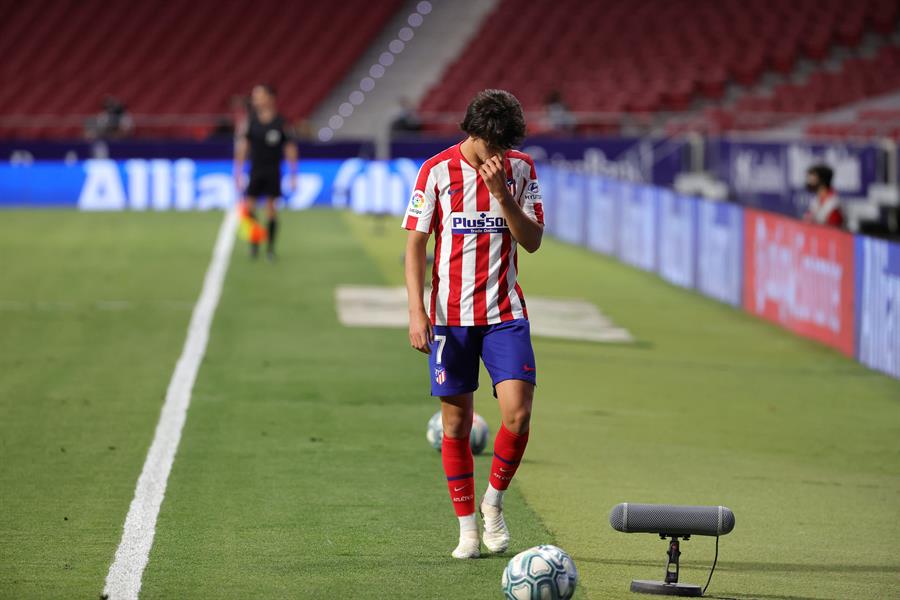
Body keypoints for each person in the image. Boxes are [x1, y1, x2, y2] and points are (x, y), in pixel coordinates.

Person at [402, 89, 544, 559]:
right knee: (456, 422)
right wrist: (416, 311)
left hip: (505, 313)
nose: (498, 155)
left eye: (505, 146)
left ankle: (493, 503)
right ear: (473, 133)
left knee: (517, 414)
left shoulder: (521, 170)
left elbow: (532, 241)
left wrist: (502, 195)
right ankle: (466, 530)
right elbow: (415, 245)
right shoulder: (436, 171)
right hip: (451, 318)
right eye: (491, 146)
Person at [233, 84, 298, 260]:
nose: (255, 100)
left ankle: (270, 248)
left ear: (270, 98)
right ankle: (254, 244)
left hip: (273, 171)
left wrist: (293, 174)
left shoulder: (281, 122)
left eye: (259, 96)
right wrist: (237, 171)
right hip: (255, 170)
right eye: (254, 96)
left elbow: (290, 148)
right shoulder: (250, 121)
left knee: (271, 210)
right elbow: (243, 146)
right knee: (249, 208)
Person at [803, 164, 844, 228]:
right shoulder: (815, 200)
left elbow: (834, 229)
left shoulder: (834, 204)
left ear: (822, 181)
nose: (809, 182)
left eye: (812, 179)